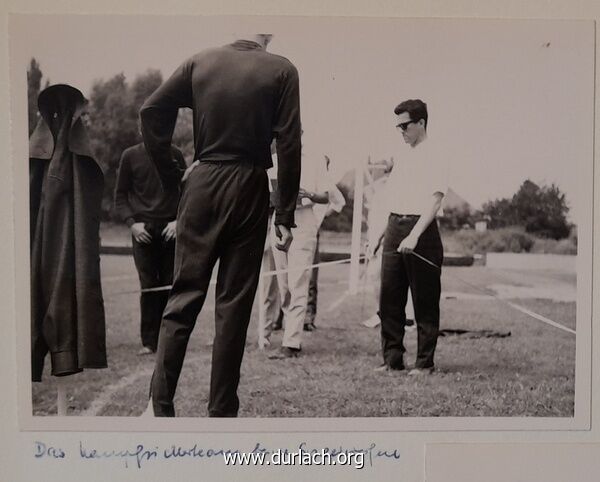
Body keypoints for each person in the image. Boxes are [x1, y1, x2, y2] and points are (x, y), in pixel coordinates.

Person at [140, 34, 301, 417]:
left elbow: (150, 110)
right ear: (268, 34)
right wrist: (285, 214)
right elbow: (290, 143)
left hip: (203, 182)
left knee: (182, 299)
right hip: (250, 186)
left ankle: (158, 407)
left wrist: (174, 173)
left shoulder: (200, 61)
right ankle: (222, 413)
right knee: (233, 307)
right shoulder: (282, 68)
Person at [371, 99, 447, 375]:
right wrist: (380, 235)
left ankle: (424, 363)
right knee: (389, 298)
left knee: (425, 300)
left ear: (421, 123)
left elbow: (435, 201)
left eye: (405, 125)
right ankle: (392, 359)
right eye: (398, 126)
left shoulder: (436, 153)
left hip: (422, 232)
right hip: (394, 227)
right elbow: (392, 200)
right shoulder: (402, 156)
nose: (401, 131)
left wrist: (414, 236)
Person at [114, 140, 187, 355]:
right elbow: (120, 196)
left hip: (170, 230)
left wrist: (178, 222)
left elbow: (188, 191)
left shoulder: (175, 154)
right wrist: (132, 224)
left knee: (169, 285)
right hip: (143, 231)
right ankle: (149, 342)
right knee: (148, 286)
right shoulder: (129, 155)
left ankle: (168, 340)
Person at [268, 149, 329, 358]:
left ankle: (291, 342)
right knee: (283, 285)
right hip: (278, 220)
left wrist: (308, 194)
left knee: (298, 282)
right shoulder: (273, 160)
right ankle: (290, 333)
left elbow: (325, 196)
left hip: (303, 220)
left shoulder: (315, 159)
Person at [304, 155, 346, 331]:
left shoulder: (327, 185)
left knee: (311, 277)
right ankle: (281, 317)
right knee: (290, 276)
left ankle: (308, 318)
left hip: (313, 232)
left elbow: (340, 203)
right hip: (301, 229)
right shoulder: (306, 177)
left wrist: (322, 216)